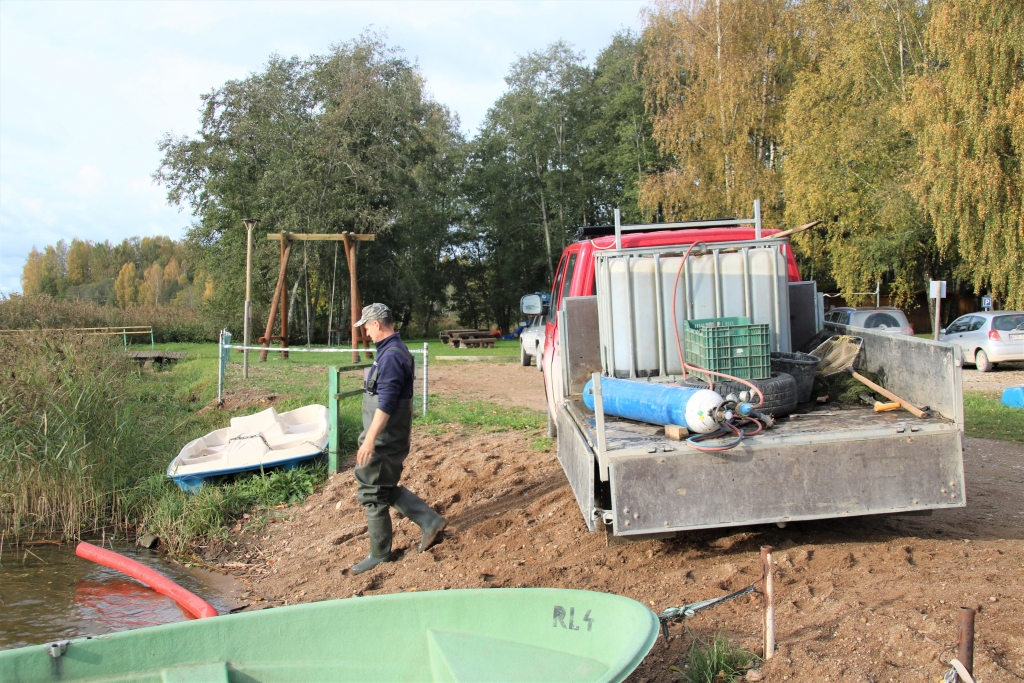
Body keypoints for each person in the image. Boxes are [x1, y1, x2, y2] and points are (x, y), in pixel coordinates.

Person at [350, 303, 446, 574]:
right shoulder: (393, 351)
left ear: (377, 324)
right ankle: (430, 521)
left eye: (366, 327)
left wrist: (370, 439)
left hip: (385, 436)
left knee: (372, 491)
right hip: (389, 434)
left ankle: (379, 554)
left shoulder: (391, 356)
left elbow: (387, 403)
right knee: (383, 485)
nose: (366, 332)